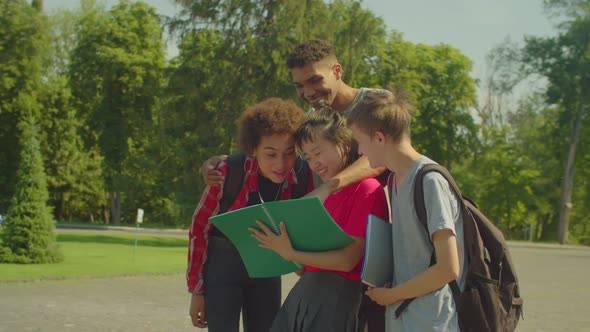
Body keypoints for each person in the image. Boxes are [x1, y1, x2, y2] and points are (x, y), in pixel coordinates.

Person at [201, 39, 390, 331]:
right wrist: (226, 161)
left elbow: (382, 159)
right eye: (299, 85)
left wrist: (330, 187)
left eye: (314, 79)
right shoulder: (313, 118)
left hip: (369, 253)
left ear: (337, 70)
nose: (308, 91)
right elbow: (275, 144)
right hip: (323, 263)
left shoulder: (373, 103)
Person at [250, 108, 388, 332]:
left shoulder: (368, 189)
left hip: (338, 300)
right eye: (308, 157)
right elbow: (307, 265)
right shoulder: (323, 194)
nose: (314, 164)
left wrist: (291, 253)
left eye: (318, 153)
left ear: (344, 143)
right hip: (304, 293)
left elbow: (347, 260)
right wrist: (288, 253)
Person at [186, 98, 312, 331]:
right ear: (253, 148)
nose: (281, 164)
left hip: (267, 267)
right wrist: (197, 290)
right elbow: (199, 230)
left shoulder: (305, 175)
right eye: (271, 154)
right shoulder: (226, 172)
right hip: (222, 268)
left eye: (289, 153)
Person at [347, 90, 466, 332]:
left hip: (433, 321)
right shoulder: (394, 180)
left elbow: (448, 268)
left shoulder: (430, 181)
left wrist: (393, 295)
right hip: (404, 318)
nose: (359, 151)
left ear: (380, 138)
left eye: (360, 141)